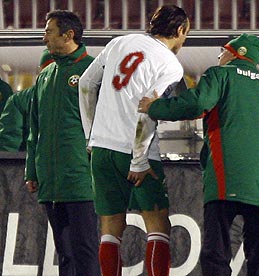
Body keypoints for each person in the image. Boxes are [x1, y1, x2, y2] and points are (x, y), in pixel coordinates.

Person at [138, 33, 259, 276]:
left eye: (223, 50)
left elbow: (196, 104)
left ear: (237, 53)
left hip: (226, 180)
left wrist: (155, 107)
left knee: (216, 253)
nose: (219, 55)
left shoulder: (219, 75)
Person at [78, 5, 190, 276]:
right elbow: (147, 107)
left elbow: (85, 83)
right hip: (136, 152)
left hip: (103, 149)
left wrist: (91, 136)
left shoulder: (120, 42)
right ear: (180, 30)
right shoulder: (170, 64)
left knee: (110, 228)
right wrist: (139, 160)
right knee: (158, 225)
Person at [25, 10, 100, 276]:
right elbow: (36, 128)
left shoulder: (93, 71)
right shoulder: (45, 77)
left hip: (82, 181)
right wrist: (32, 170)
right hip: (52, 182)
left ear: (68, 35)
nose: (44, 37)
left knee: (86, 252)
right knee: (65, 254)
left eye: (48, 31)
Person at [0, 50, 53, 152]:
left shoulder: (20, 99)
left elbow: (9, 141)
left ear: (41, 70)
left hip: (30, 162)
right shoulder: (79, 96)